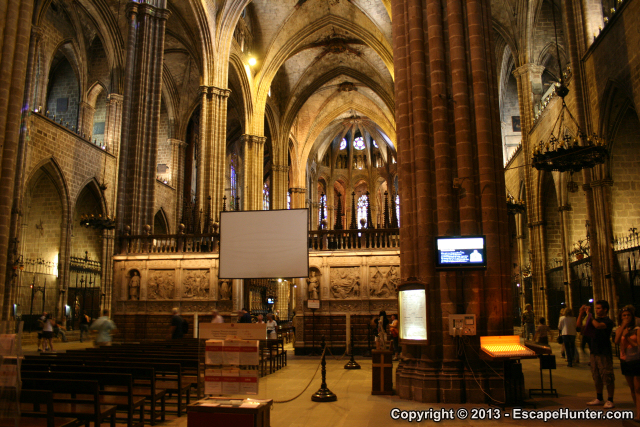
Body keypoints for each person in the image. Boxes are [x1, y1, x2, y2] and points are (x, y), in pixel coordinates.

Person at [577, 300, 615, 408]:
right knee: (596, 376)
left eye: (599, 308)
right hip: (594, 351)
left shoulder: (608, 321)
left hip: (604, 352)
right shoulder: (593, 320)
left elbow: (598, 326)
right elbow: (579, 326)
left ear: (605, 309)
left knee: (607, 376)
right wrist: (581, 313)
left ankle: (610, 399)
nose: (597, 310)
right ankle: (599, 397)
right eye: (596, 308)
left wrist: (590, 316)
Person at [615, 305, 640, 420]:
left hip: (636, 360)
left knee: (638, 388)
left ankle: (639, 414)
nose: (626, 317)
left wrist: (628, 337)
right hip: (625, 359)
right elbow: (616, 341)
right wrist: (623, 327)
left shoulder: (637, 329)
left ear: (632, 316)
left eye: (628, 315)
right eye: (624, 315)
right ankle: (637, 409)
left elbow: (638, 346)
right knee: (632, 388)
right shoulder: (620, 328)